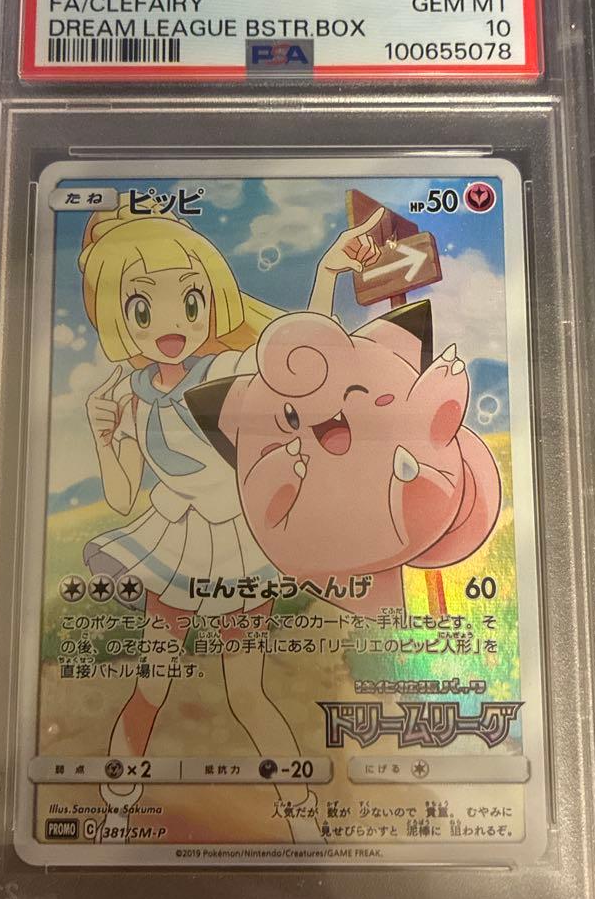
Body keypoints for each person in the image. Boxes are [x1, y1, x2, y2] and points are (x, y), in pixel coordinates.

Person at [77, 194, 382, 842]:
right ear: (117, 317)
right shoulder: (129, 395)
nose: (170, 324)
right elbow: (124, 496)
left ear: (211, 299)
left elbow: (303, 364)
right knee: (151, 684)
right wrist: (105, 437)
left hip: (239, 551)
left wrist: (326, 275)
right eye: (142, 308)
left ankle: (302, 820)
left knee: (246, 693)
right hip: (177, 548)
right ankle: (114, 812)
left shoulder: (226, 370)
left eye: (189, 301)